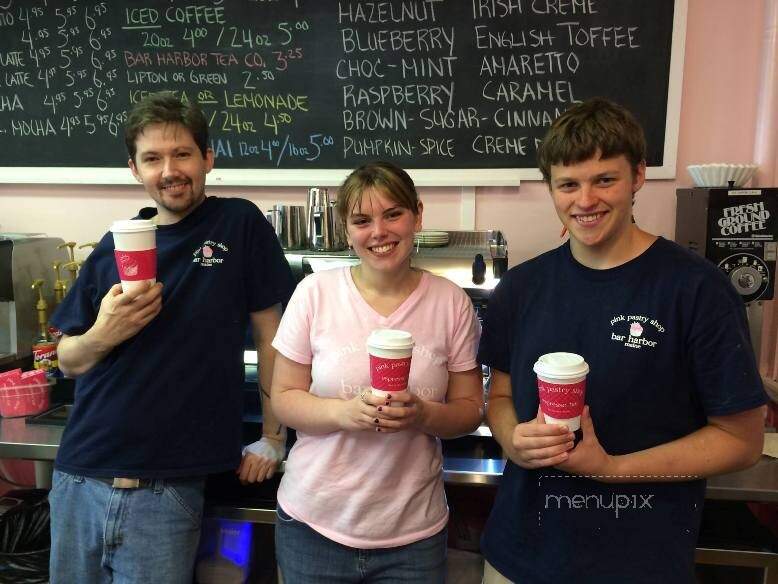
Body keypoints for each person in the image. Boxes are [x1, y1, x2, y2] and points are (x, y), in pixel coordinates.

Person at [478, 97, 767, 583]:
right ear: (551, 188)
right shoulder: (522, 288)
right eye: (568, 184)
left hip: (640, 563)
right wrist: (511, 438)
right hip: (519, 559)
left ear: (637, 176)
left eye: (604, 180)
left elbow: (742, 441)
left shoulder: (696, 290)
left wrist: (613, 468)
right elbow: (500, 396)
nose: (585, 201)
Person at [48, 91, 296, 584]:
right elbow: (68, 359)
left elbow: (274, 337)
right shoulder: (115, 243)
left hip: (169, 486)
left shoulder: (239, 223)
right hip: (81, 473)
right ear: (134, 170)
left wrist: (273, 436)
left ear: (208, 158)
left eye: (182, 153)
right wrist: (103, 333)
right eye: (153, 159)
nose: (169, 170)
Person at [270, 161, 484, 583]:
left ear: (417, 215)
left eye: (393, 214)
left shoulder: (451, 302)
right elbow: (283, 399)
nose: (379, 232)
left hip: (413, 534)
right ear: (346, 230)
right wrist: (344, 413)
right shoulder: (314, 293)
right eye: (362, 220)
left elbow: (470, 410)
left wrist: (423, 414)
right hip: (313, 525)